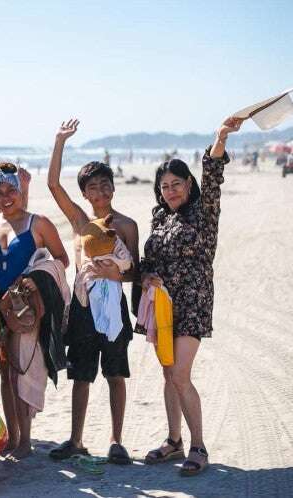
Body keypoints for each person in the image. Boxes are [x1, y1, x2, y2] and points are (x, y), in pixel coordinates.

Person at [139, 116, 243, 476]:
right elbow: (148, 260)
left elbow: (214, 173)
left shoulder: (204, 212)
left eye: (177, 184)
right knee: (169, 375)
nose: (171, 191)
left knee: (180, 376)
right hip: (163, 307)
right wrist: (146, 273)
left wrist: (220, 137)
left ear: (189, 184)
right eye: (165, 186)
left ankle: (198, 446)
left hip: (194, 304)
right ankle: (173, 440)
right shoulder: (159, 220)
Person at [47, 118, 139, 465]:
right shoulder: (80, 222)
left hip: (114, 308)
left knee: (116, 373)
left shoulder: (127, 225)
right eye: (93, 188)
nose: (100, 193)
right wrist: (60, 141)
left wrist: (118, 274)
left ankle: (117, 441)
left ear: (113, 188)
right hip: (84, 308)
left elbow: (137, 273)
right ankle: (76, 440)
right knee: (81, 376)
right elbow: (54, 184)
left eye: (105, 185)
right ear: (85, 194)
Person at [0, 161, 69, 459]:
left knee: (21, 370)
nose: (6, 197)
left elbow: (61, 259)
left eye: (11, 190)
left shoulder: (39, 223)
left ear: (21, 191)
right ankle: (12, 435)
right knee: (6, 372)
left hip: (21, 304)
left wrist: (34, 277)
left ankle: (26, 441)